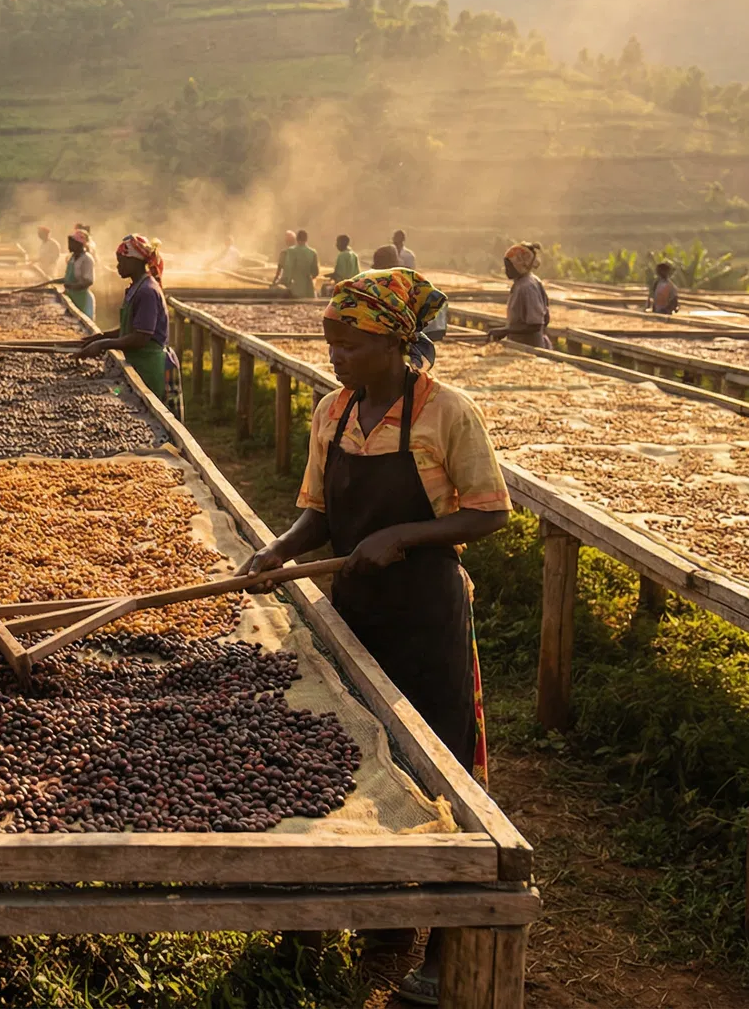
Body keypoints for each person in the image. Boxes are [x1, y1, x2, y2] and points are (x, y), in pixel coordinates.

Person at [236, 269, 509, 1006]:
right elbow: (319, 512)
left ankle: (443, 942)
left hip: (427, 614)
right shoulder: (333, 412)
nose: (337, 358)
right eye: (332, 344)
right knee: (357, 753)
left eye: (350, 345)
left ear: (394, 343)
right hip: (355, 609)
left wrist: (405, 535)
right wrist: (279, 549)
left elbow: (490, 511)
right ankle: (374, 916)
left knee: (442, 763)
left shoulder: (447, 412)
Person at [76, 235, 182, 415]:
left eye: (121, 261)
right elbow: (130, 329)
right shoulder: (137, 287)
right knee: (124, 398)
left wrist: (103, 345)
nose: (118, 266)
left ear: (135, 261)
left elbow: (141, 337)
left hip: (151, 369)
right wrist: (101, 336)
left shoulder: (147, 291)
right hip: (138, 363)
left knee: (152, 412)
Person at [493, 243, 551, 347]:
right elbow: (546, 318)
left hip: (530, 347)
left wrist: (506, 330)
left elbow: (536, 325)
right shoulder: (525, 282)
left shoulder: (527, 286)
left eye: (509, 266)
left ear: (519, 265)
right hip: (523, 344)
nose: (506, 270)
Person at [61, 227, 96, 321]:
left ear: (79, 244)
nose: (70, 245)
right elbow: (68, 277)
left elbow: (88, 281)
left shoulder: (86, 259)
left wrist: (72, 287)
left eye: (72, 243)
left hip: (82, 299)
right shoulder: (72, 258)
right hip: (71, 296)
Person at [276, 229, 321, 299]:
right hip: (308, 290)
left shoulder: (291, 251)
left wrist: (282, 282)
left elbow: (288, 270)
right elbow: (316, 272)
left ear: (296, 239)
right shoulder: (313, 252)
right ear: (306, 239)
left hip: (294, 289)